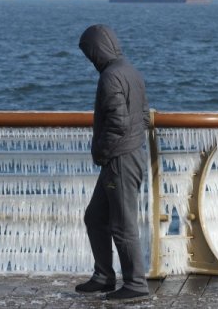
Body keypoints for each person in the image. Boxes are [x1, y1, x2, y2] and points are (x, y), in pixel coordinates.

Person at [75, 24, 150, 301]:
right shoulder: (131, 71)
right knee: (95, 217)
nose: (89, 58)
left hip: (119, 158)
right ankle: (104, 276)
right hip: (129, 154)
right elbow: (144, 117)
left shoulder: (110, 77)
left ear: (97, 49)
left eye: (89, 52)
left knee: (122, 224)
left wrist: (103, 153)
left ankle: (136, 285)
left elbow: (116, 124)